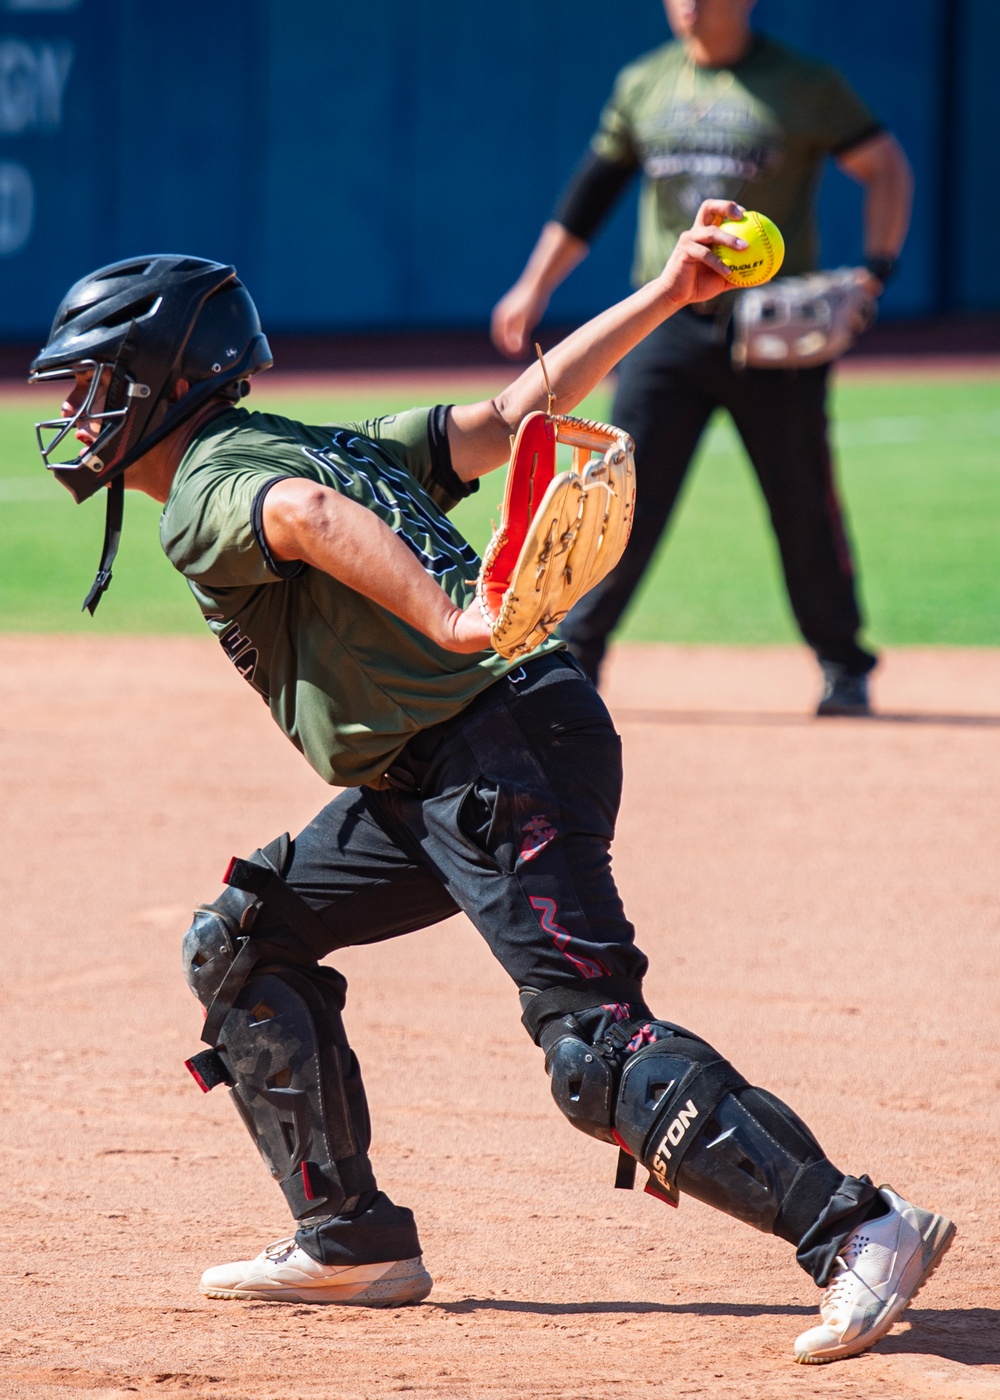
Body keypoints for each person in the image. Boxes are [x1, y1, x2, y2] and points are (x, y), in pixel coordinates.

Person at [30, 207, 950, 1366]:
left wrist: (452, 614)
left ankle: (859, 1226)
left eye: (93, 384)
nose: (73, 411)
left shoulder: (223, 482)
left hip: (494, 748)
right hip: (439, 764)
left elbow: (307, 521)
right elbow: (518, 415)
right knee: (245, 938)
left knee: (593, 1053)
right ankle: (349, 1234)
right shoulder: (306, 438)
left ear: (166, 382)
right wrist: (668, 290)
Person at [491, 0, 914, 716]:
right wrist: (533, 285)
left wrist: (876, 270)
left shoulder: (801, 82)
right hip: (667, 327)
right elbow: (591, 193)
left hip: (773, 333)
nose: (686, 5)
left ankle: (844, 665)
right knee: (619, 500)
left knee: (801, 502)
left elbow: (885, 166)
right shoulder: (645, 81)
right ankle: (577, 661)